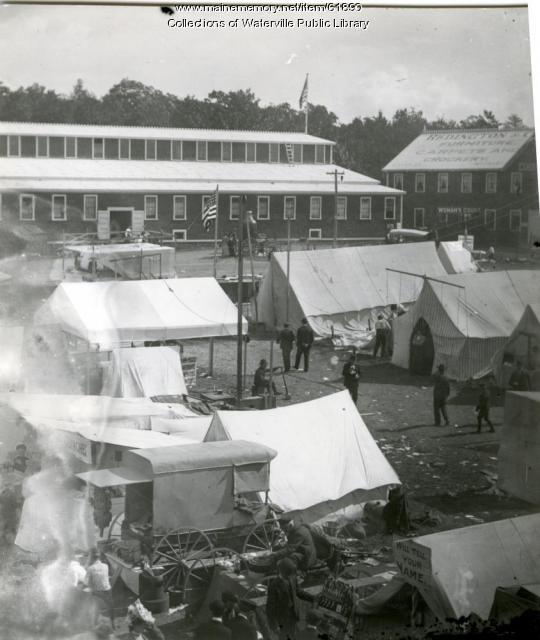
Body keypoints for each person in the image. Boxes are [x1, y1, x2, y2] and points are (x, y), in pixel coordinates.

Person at [266, 558, 314, 640]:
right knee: (283, 637)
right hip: (282, 619)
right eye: (287, 576)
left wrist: (313, 598)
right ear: (281, 572)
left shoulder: (292, 578)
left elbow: (298, 591)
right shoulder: (274, 586)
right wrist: (274, 625)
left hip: (293, 614)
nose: (289, 577)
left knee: (293, 635)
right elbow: (270, 608)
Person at [85, 549, 115, 628]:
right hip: (108, 591)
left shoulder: (90, 568)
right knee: (110, 607)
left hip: (98, 593)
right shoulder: (106, 566)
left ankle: (94, 623)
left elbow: (86, 582)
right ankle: (112, 623)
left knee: (94, 606)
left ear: (91, 558)